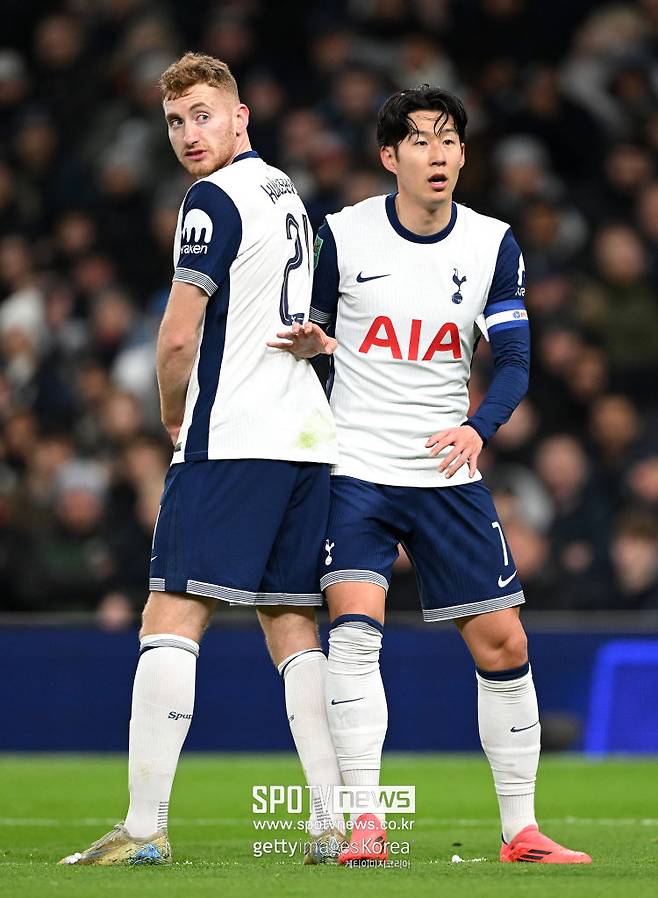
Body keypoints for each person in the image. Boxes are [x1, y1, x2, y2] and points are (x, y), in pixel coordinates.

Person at [272, 86, 592, 865]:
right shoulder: (343, 234)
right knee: (355, 632)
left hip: (446, 471)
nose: (438, 154)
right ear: (390, 156)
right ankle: (365, 822)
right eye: (420, 141)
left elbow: (514, 361)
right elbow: (306, 338)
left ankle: (521, 832)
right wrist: (313, 350)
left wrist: (477, 428)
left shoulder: (491, 243)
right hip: (354, 469)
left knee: (504, 642)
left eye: (449, 140)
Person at [59, 52, 344, 866]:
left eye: (203, 115)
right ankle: (332, 823)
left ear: (240, 115)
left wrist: (169, 414)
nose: (189, 134)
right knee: (292, 624)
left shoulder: (211, 199)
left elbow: (178, 334)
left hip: (232, 437)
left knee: (169, 616)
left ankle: (143, 828)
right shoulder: (287, 193)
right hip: (306, 440)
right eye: (176, 122)